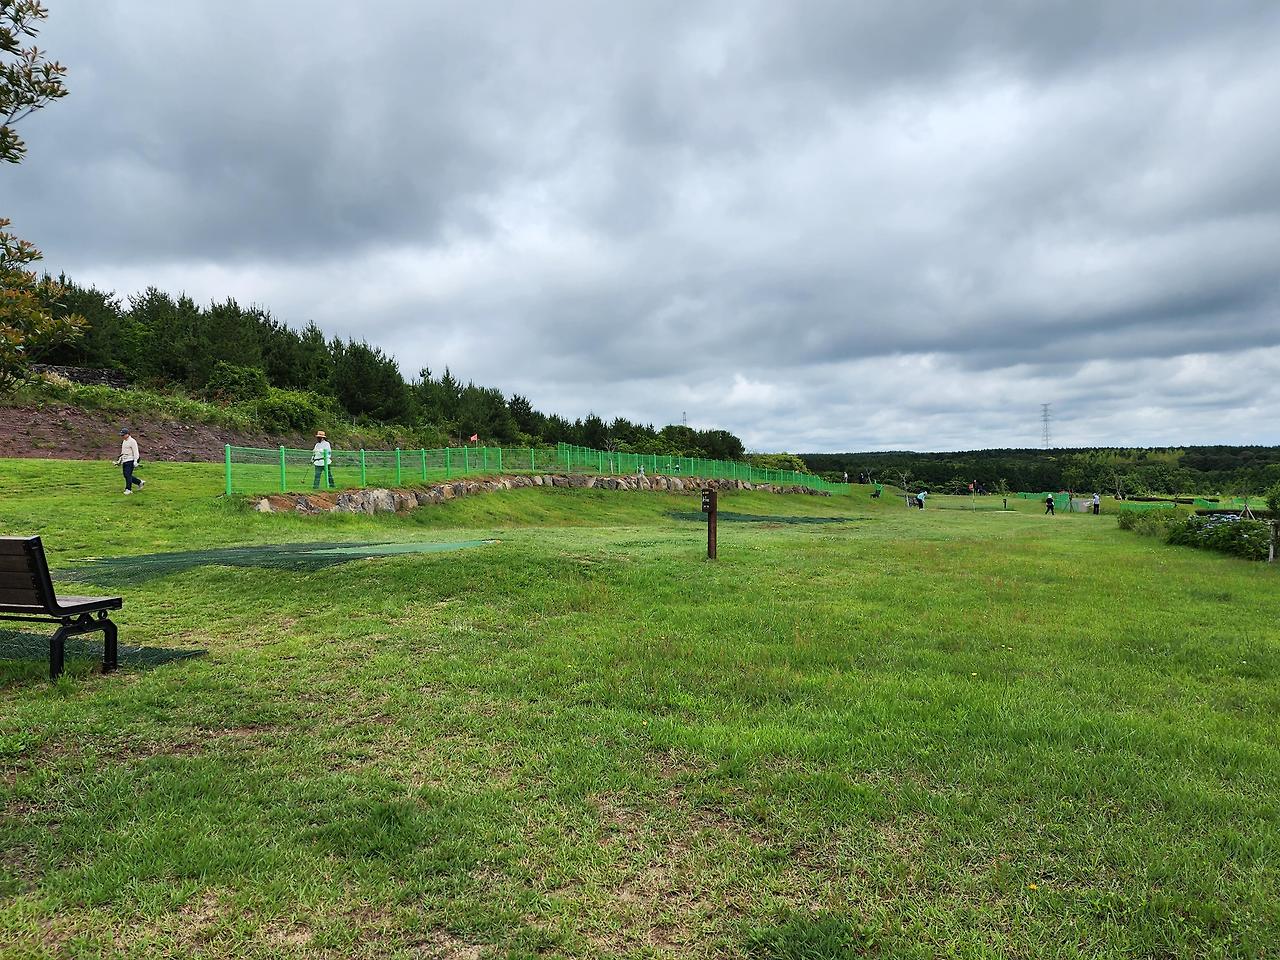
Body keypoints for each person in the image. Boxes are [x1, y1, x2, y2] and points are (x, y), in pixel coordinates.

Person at [116, 428, 145, 495]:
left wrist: (135, 461)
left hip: (130, 460)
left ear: (128, 434)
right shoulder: (124, 441)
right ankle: (139, 482)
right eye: (121, 435)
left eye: (123, 435)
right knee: (126, 475)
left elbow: (136, 452)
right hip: (125, 460)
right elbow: (123, 452)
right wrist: (119, 461)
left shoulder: (132, 441)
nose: (122, 436)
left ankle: (128, 489)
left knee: (127, 475)